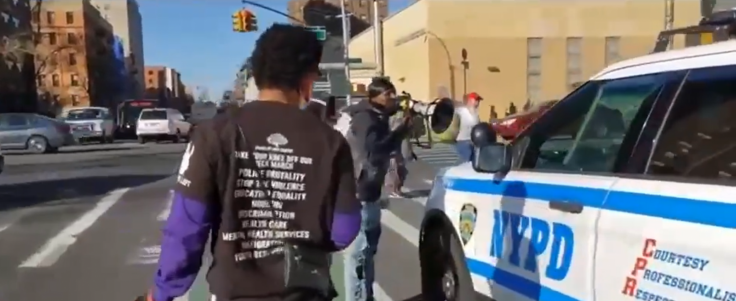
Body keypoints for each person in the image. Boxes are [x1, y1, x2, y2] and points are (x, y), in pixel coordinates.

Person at [145, 24, 362, 301]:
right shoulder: (331, 141)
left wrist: (163, 292)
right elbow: (344, 229)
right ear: (307, 80)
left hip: (236, 292)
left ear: (257, 75)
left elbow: (186, 229)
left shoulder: (214, 134)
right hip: (304, 291)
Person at [342, 77, 413, 301]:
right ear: (374, 97)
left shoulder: (376, 116)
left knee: (368, 255)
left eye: (393, 93)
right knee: (359, 257)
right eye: (387, 95)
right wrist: (400, 132)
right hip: (358, 196)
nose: (392, 98)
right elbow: (373, 152)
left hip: (369, 194)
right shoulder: (365, 119)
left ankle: (366, 297)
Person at [455, 92, 482, 162]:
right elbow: (454, 106)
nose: (478, 102)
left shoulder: (476, 114)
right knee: (466, 165)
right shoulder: (463, 110)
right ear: (470, 100)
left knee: (472, 164)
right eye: (476, 100)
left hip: (472, 143)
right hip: (464, 142)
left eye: (478, 100)